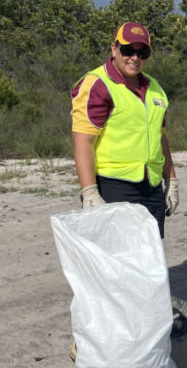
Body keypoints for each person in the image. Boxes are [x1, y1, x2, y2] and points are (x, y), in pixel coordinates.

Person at [71, 22, 178, 237]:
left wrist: (171, 180)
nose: (135, 58)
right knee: (115, 259)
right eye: (128, 50)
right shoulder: (98, 84)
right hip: (113, 186)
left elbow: (161, 138)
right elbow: (83, 141)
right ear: (114, 49)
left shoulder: (155, 88)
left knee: (149, 257)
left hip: (152, 186)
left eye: (142, 52)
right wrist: (89, 192)